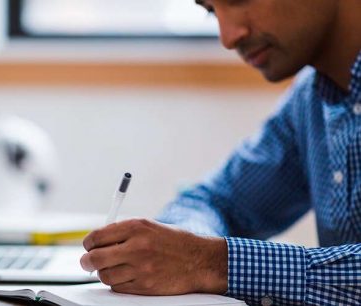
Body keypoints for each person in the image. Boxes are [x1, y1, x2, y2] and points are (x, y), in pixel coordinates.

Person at [79, 1, 361, 305]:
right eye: (211, 11)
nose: (228, 38)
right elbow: (215, 201)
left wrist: (211, 262)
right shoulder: (310, 100)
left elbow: (208, 257)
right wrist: (183, 250)